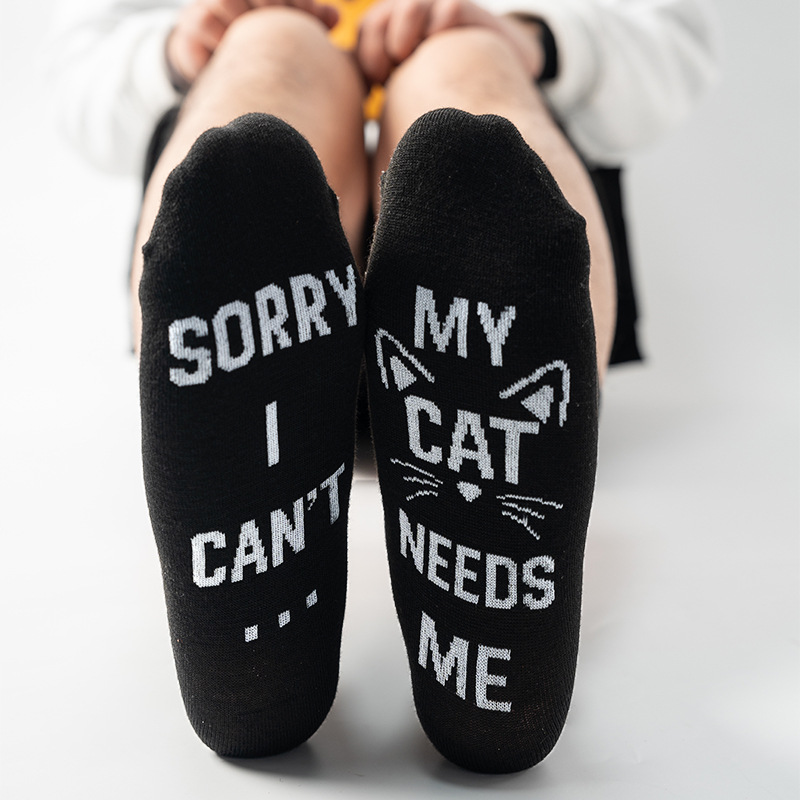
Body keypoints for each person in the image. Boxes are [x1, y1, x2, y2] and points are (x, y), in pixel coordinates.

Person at [49, 0, 718, 773]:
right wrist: (179, 47)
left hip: (466, 327)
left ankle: (257, 657)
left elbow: (674, 45)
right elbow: (77, 83)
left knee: (462, 89)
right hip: (360, 337)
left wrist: (538, 39)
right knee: (271, 69)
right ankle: (483, 667)